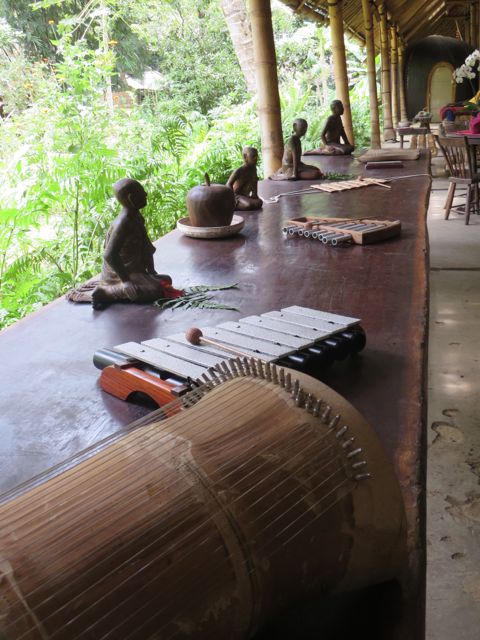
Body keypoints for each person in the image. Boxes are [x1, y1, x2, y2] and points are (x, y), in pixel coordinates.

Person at [91, 178, 179, 309]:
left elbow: (146, 247)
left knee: (166, 280)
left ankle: (127, 287)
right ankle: (106, 292)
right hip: (119, 275)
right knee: (155, 290)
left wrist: (151, 271)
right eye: (142, 192)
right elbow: (109, 255)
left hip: (136, 270)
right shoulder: (123, 223)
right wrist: (126, 282)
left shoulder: (137, 218)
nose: (146, 194)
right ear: (132, 198)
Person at [226, 146, 263, 210]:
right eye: (253, 156)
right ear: (245, 157)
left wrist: (254, 195)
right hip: (236, 195)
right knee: (248, 205)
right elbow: (228, 184)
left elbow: (254, 182)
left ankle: (244, 203)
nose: (256, 158)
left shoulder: (253, 169)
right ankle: (234, 205)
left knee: (259, 202)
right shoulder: (239, 170)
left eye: (257, 156)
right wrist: (232, 199)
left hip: (245, 196)